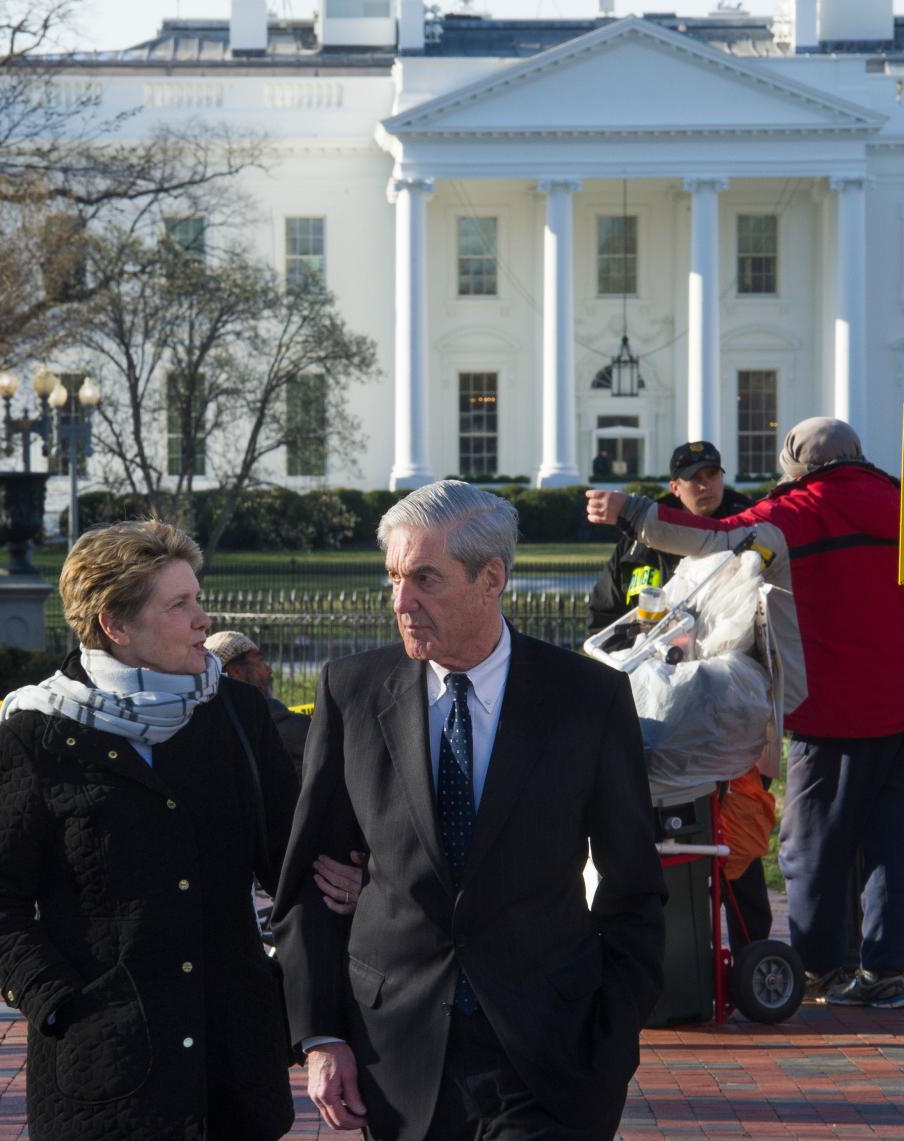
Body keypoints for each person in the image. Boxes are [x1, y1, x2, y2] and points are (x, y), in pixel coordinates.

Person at [272, 479, 667, 1141]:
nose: (402, 601)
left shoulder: (586, 699)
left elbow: (635, 889)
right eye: (394, 577)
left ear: (491, 578)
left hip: (550, 1054)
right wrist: (322, 1035)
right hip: (393, 1058)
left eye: (425, 577)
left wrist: (612, 1039)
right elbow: (306, 890)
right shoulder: (352, 692)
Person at [0, 519, 362, 1141]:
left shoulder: (238, 715)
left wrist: (343, 875)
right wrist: (60, 1002)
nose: (204, 618)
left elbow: (288, 869)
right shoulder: (41, 731)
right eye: (180, 605)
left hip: (233, 1069)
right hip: (104, 1076)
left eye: (197, 598)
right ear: (116, 626)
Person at [586, 417, 904, 1009]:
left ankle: (820, 967)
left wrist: (632, 510)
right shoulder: (896, 502)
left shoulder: (799, 512)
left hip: (830, 710)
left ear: (798, 462)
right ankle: (887, 971)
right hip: (898, 705)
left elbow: (713, 538)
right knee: (890, 847)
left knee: (811, 848)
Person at [587, 440, 775, 959]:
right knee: (653, 838)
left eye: (712, 474)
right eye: (694, 477)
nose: (705, 485)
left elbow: (766, 630)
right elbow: (605, 617)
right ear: (675, 487)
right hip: (654, 717)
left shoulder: (748, 534)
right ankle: (657, 954)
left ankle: (754, 948)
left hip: (723, 717)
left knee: (732, 836)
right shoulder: (638, 545)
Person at [205, 630, 310, 776]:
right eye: (260, 660)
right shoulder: (262, 717)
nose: (269, 669)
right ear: (236, 671)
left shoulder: (208, 718)